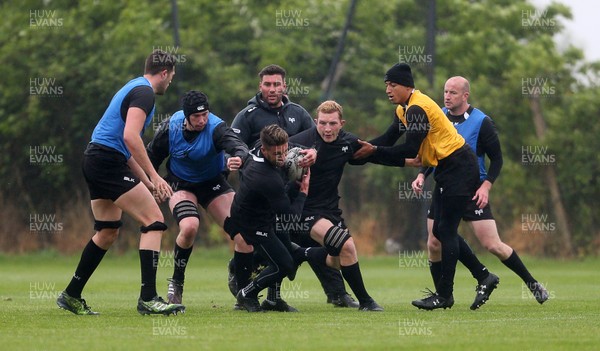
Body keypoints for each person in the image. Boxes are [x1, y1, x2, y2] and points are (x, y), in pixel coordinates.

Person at [56, 50, 185, 315]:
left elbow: (124, 149)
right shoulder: (145, 93)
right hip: (106, 162)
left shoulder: (133, 86)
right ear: (163, 73)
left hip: (97, 159)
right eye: (171, 76)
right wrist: (156, 175)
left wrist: (148, 182)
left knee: (107, 231)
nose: (170, 81)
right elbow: (130, 138)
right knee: (154, 221)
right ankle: (148, 298)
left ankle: (71, 294)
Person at [411, 76, 549, 308]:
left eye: (453, 92)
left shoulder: (481, 121)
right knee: (434, 241)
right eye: (445, 91)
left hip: (473, 189)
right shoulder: (439, 116)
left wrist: (486, 186)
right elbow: (434, 152)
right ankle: (442, 295)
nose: (447, 96)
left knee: (492, 244)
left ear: (466, 95)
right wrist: (422, 174)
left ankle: (533, 284)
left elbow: (497, 159)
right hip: (445, 186)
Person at [230, 64, 357, 309]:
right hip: (261, 196)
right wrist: (234, 161)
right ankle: (245, 292)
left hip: (288, 191)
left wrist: (312, 154)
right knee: (281, 253)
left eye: (276, 84)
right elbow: (234, 145)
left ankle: (331, 293)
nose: (272, 89)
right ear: (260, 86)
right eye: (267, 84)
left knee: (293, 247)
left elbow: (316, 140)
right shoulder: (247, 115)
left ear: (284, 86)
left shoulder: (297, 113)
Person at [354, 63, 480, 310]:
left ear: (407, 86)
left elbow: (410, 150)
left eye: (393, 85)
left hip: (460, 166)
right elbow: (388, 140)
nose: (388, 90)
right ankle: (482, 276)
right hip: (447, 168)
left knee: (445, 231)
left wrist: (373, 152)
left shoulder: (417, 109)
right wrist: (359, 151)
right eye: (386, 85)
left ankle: (445, 296)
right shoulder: (404, 110)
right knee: (442, 232)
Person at [146, 90, 250, 304]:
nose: (202, 120)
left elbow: (239, 146)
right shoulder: (170, 128)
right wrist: (153, 183)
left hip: (212, 182)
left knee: (243, 234)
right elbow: (150, 157)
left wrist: (238, 158)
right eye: (196, 117)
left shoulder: (216, 127)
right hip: (180, 183)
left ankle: (243, 289)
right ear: (186, 116)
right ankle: (177, 282)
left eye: (205, 115)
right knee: (190, 226)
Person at [290, 100, 384, 311]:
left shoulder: (348, 142)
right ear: (315, 122)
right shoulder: (297, 143)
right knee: (347, 246)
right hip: (305, 210)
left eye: (333, 123)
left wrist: (411, 161)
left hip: (331, 210)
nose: (327, 129)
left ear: (342, 123)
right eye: (322, 123)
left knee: (340, 258)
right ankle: (366, 302)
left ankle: (302, 254)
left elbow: (374, 153)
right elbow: (268, 153)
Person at [224, 124, 310, 312]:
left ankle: (273, 300)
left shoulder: (260, 148)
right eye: (277, 154)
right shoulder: (265, 177)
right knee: (284, 265)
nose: (282, 158)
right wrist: (302, 191)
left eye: (285, 151)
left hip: (263, 213)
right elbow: (290, 218)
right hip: (251, 223)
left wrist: (310, 152)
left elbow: (293, 146)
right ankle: (246, 293)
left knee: (285, 252)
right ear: (264, 150)